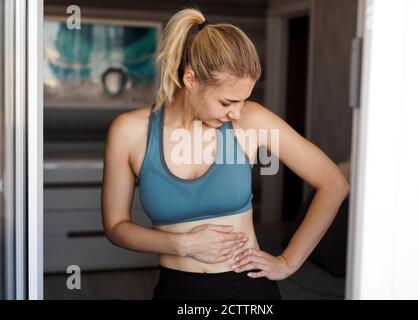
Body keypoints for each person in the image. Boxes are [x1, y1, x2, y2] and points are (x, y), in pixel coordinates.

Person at [101, 8, 349, 300]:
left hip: (248, 290)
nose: (237, 112)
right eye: (227, 101)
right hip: (176, 291)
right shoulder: (129, 132)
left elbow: (334, 183)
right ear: (190, 79)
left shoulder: (251, 120)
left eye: (244, 100)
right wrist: (183, 245)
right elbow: (116, 227)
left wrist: (287, 261)